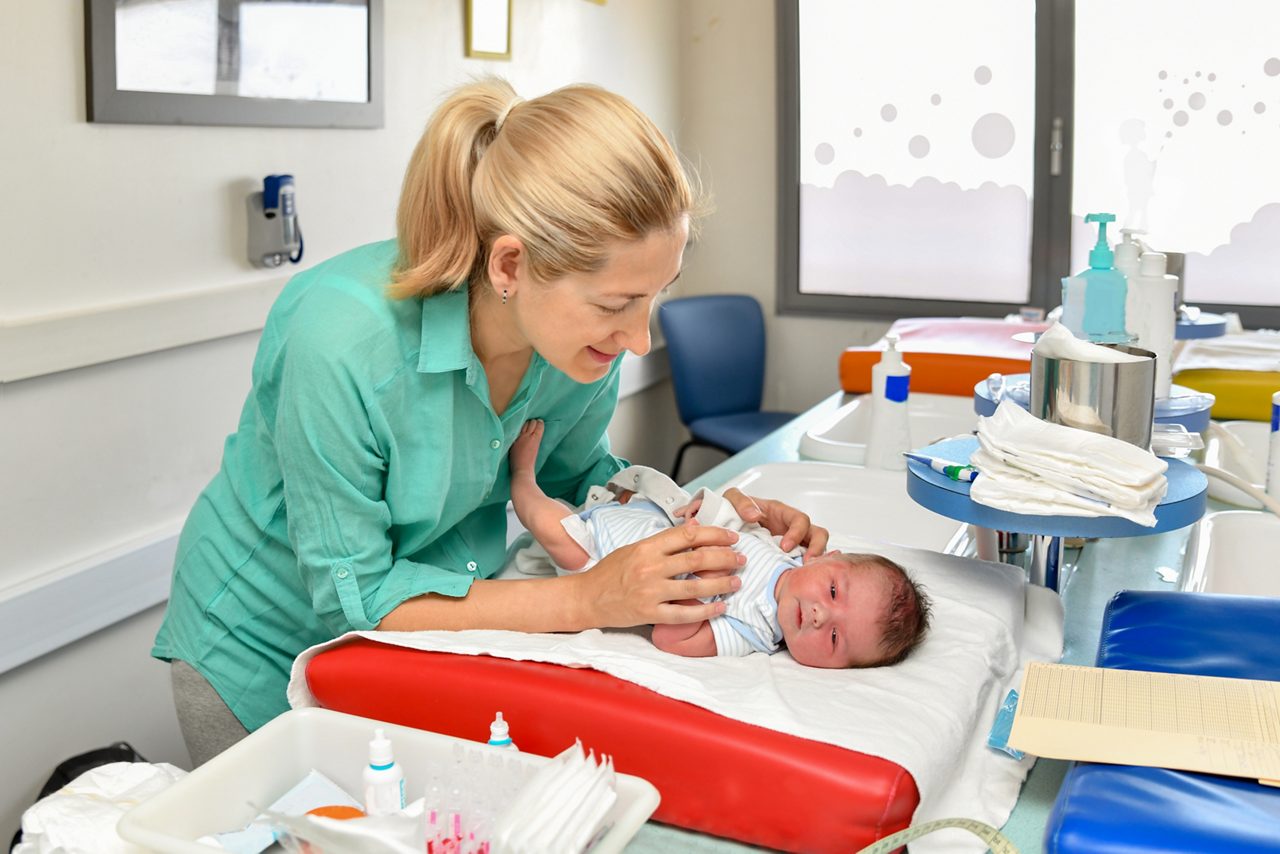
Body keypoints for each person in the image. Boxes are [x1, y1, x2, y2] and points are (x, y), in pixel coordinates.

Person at [152, 78, 829, 766]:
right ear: (511, 264)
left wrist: (703, 524)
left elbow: (581, 477)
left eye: (656, 296)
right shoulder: (343, 341)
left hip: (412, 644)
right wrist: (587, 599)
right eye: (618, 302)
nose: (640, 339)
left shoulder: (577, 347)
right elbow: (356, 599)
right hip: (263, 638)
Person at [510, 420, 930, 668]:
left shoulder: (753, 630)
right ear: (828, 557)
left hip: (602, 563)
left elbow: (673, 641)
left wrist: (708, 578)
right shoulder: (789, 549)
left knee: (557, 532)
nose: (821, 614)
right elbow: (735, 515)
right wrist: (713, 509)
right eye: (834, 590)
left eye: (836, 639)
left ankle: (522, 481)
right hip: (641, 521)